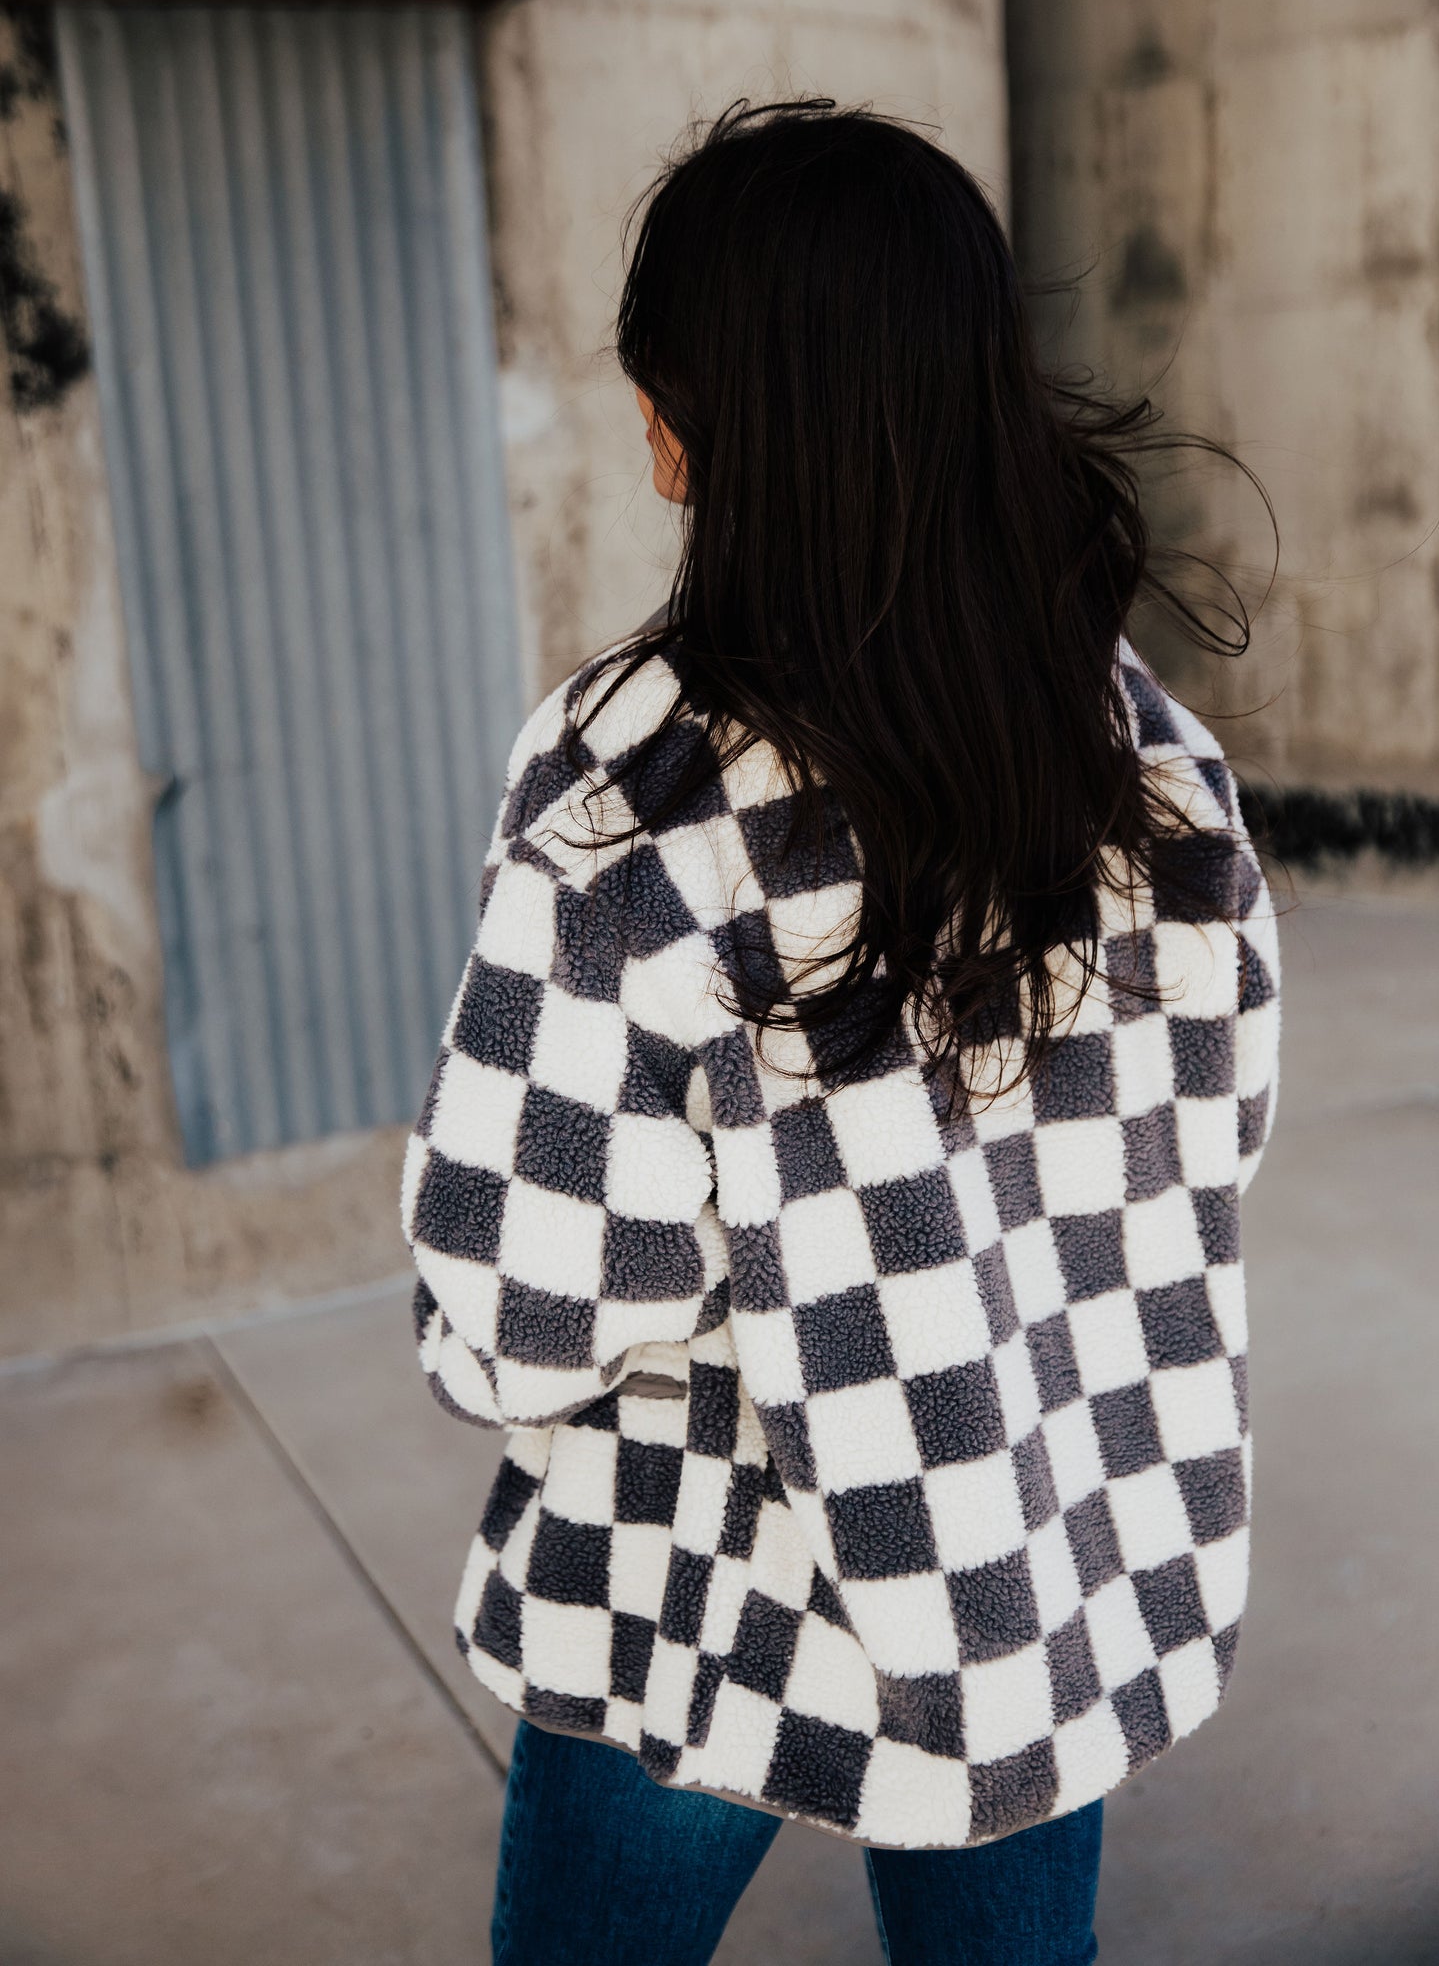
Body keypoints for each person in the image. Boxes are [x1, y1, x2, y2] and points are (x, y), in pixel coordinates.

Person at [401, 99, 1281, 1965]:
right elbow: (1216, 1132)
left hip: (704, 1567)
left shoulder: (633, 778)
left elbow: (520, 1294)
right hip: (1020, 1542)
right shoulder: (1137, 748)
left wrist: (789, 1249)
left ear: (695, 429)